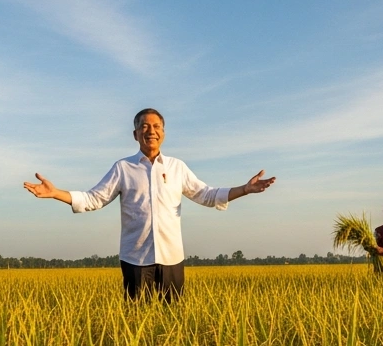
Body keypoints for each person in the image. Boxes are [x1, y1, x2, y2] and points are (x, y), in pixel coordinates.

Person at [23, 108, 275, 301]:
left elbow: (206, 195)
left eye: (156, 126)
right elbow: (93, 199)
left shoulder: (177, 167)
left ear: (163, 133)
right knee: (135, 323)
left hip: (171, 258)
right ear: (135, 134)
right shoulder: (123, 168)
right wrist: (56, 193)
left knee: (172, 322)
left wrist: (245, 189)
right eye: (144, 126)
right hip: (135, 259)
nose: (150, 130)